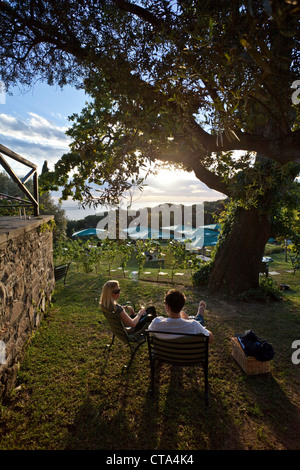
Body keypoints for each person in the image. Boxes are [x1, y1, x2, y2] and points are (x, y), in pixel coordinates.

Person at [148, 289, 214, 343]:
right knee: (199, 322)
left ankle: (200, 313)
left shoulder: (156, 323)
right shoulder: (194, 325)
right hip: (188, 358)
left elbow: (150, 332)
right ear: (182, 305)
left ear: (167, 307)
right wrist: (188, 322)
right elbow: (211, 339)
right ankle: (200, 313)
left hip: (163, 357)